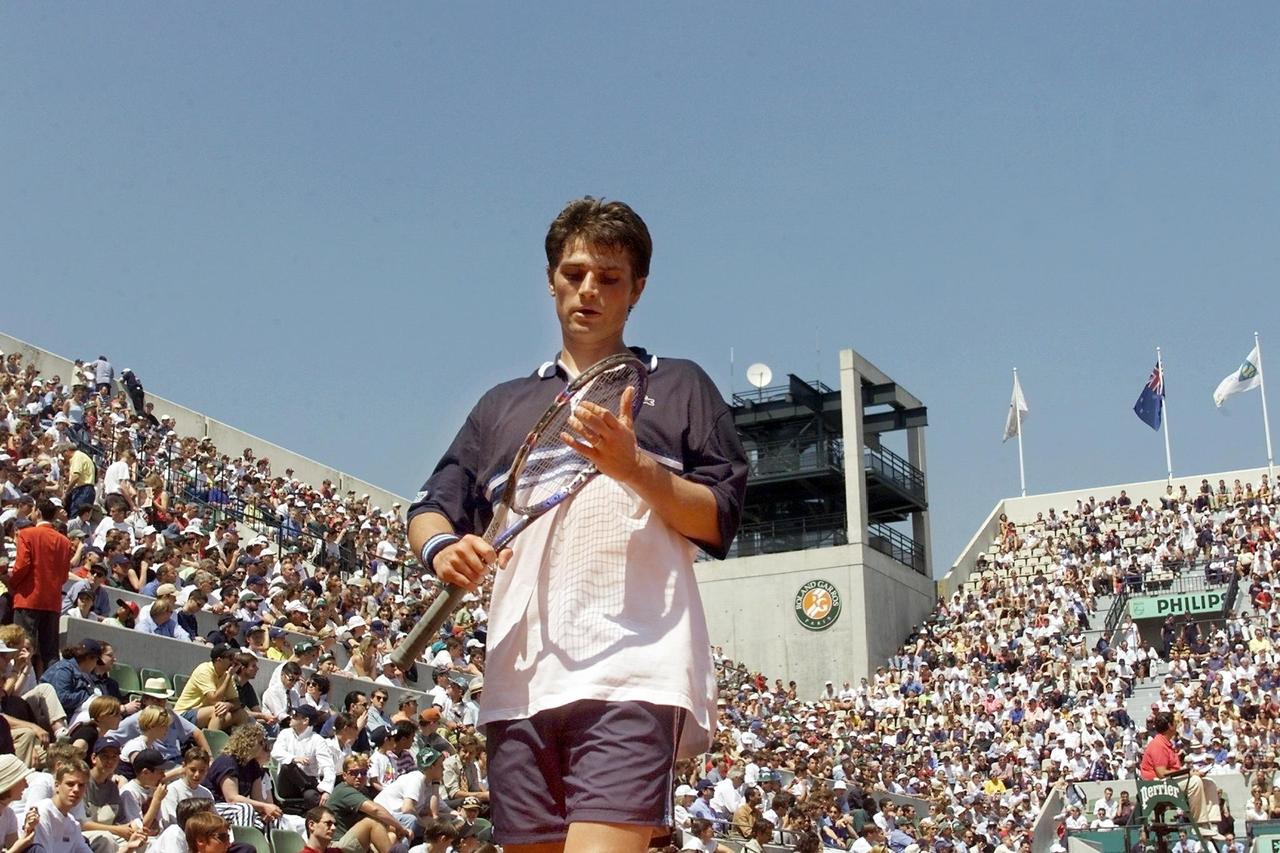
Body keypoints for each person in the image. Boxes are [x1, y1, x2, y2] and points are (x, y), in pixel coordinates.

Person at [406, 197, 747, 852]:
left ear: (637, 289)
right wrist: (444, 549)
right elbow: (430, 506)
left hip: (633, 671)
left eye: (609, 277)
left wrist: (634, 466)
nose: (587, 290)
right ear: (551, 279)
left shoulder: (679, 387)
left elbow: (718, 516)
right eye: (574, 273)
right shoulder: (500, 406)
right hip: (517, 683)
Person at [6, 499, 73, 673]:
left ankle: (16, 686)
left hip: (28, 598)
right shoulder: (64, 541)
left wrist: (11, 583)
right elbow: (64, 575)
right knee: (50, 652)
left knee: (21, 645)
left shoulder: (27, 534)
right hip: (52, 602)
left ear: (38, 512)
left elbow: (21, 566)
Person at [1139, 711, 1223, 839]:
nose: (1177, 724)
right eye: (1175, 722)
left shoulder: (1167, 743)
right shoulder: (1158, 745)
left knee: (1209, 783)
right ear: (1169, 725)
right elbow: (1162, 773)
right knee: (1194, 781)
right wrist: (1189, 773)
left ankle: (1211, 825)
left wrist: (1189, 772)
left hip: (1169, 782)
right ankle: (1200, 825)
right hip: (1156, 786)